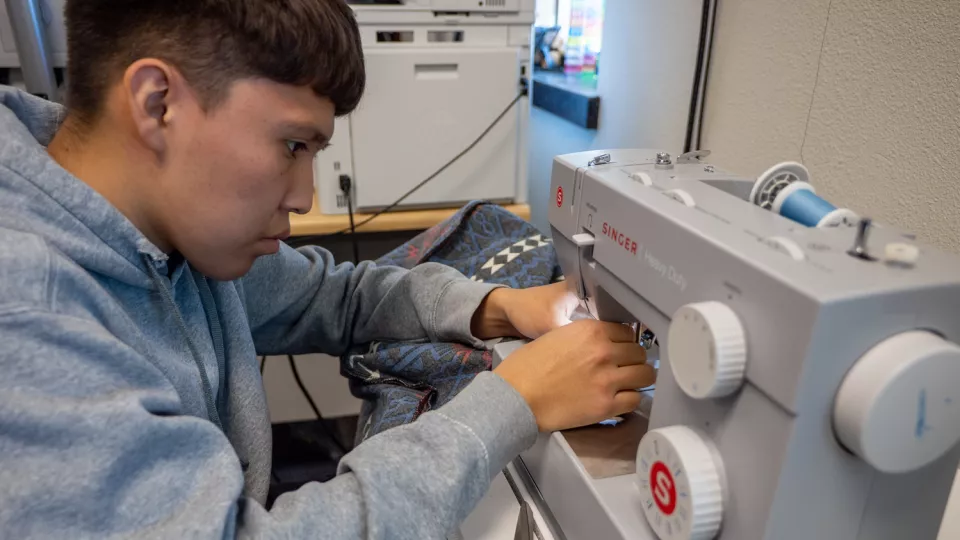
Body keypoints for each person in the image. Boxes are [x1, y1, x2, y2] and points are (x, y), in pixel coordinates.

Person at [0, 0, 655, 537]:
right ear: (155, 103)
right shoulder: (28, 313)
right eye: (292, 145)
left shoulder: (162, 229)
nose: (304, 196)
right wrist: (513, 403)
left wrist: (500, 307)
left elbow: (334, 297)